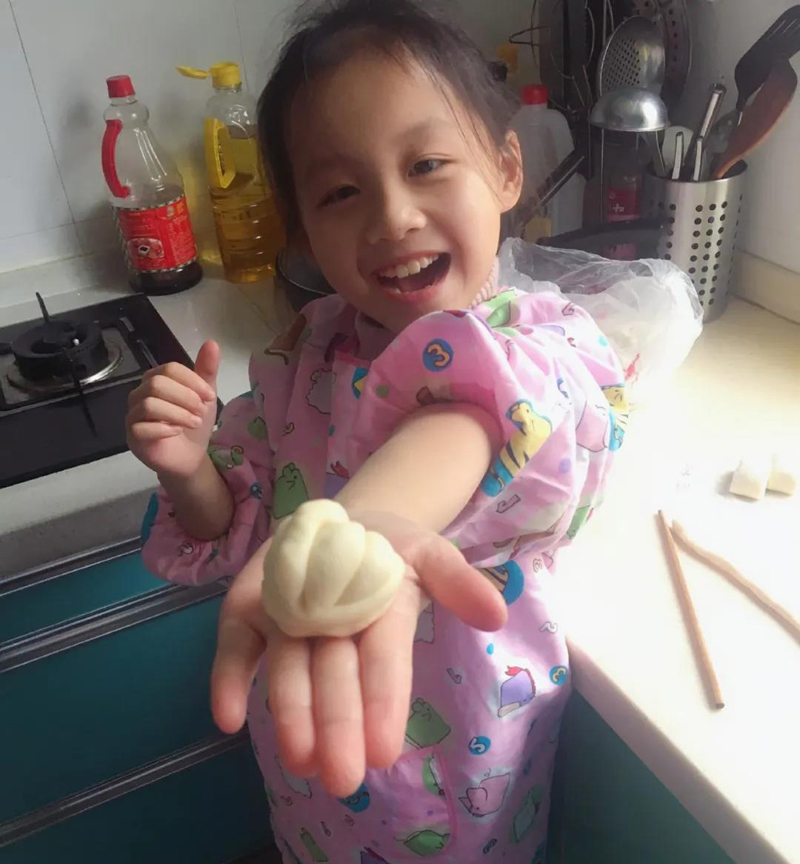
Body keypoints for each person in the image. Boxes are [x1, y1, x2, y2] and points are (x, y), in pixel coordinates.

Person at [127, 1, 628, 861]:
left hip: (466, 775)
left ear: (506, 169)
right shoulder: (301, 356)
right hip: (309, 758)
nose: (393, 215)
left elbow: (480, 412)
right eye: (342, 191)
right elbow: (231, 520)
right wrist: (187, 469)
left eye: (427, 164)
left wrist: (361, 530)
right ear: (304, 231)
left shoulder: (547, 345)